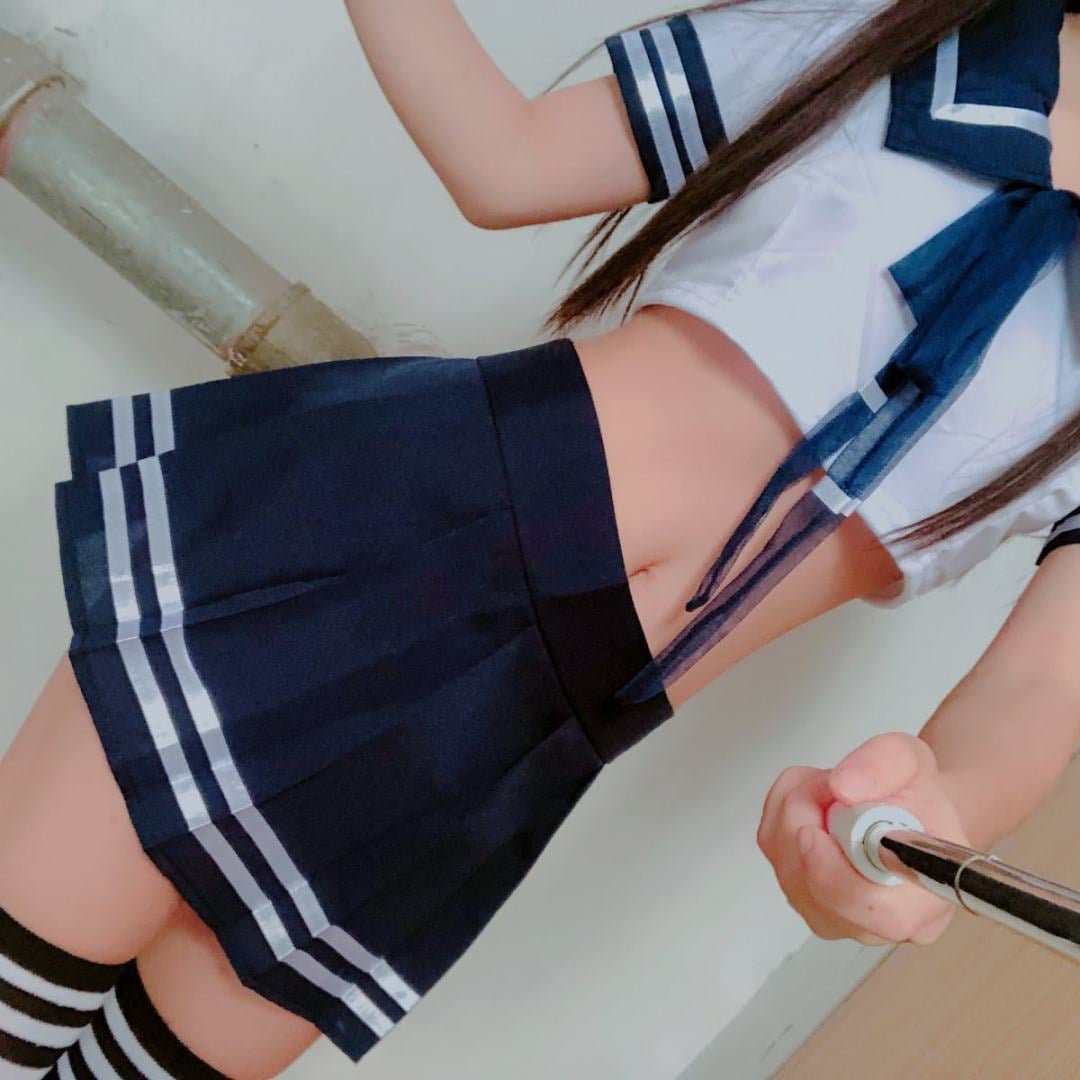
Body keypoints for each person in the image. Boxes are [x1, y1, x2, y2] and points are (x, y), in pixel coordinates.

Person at [3, 0, 1080, 1076]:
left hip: (515, 745)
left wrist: (933, 819)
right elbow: (505, 159)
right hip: (389, 546)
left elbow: (1043, 681)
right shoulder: (915, 36)